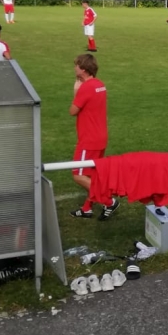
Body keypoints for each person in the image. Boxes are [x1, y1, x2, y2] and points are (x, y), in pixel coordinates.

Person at [69, 53, 118, 219]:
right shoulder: (100, 84)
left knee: (79, 175)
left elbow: (73, 111)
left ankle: (109, 202)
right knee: (91, 175)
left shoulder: (86, 88)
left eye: (76, 65)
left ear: (83, 69)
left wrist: (76, 92)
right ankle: (87, 208)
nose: (74, 68)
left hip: (88, 140)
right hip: (100, 136)